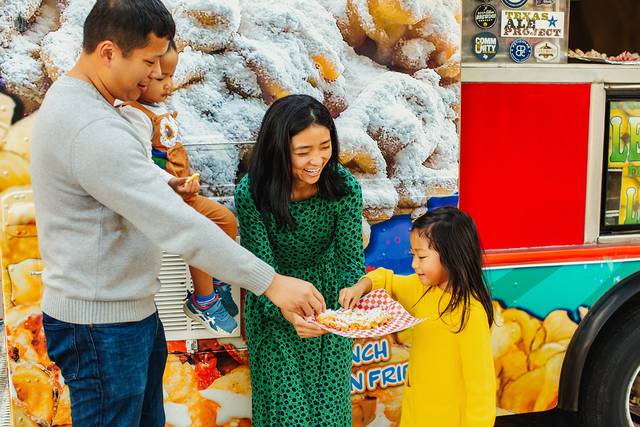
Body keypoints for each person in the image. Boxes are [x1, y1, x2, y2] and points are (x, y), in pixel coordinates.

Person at [30, 1, 324, 425]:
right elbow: (178, 225)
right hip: (101, 329)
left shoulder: (93, 104)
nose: (155, 74)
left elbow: (110, 191)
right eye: (148, 61)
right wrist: (272, 283)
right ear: (108, 52)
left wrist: (162, 183)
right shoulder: (90, 126)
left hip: (125, 313)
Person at [234, 94, 366, 426]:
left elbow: (351, 262)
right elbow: (258, 270)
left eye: (325, 147)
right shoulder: (252, 194)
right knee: (286, 415)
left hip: (327, 308)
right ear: (278, 150)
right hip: (273, 304)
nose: (317, 160)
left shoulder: (345, 188)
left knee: (328, 415)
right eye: (303, 152)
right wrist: (286, 311)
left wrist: (350, 296)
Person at [118, 40, 239, 334]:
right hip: (165, 198)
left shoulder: (158, 107)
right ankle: (204, 300)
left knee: (227, 221)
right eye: (160, 79)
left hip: (184, 193)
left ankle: (217, 280)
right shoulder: (135, 114)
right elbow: (141, 163)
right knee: (203, 236)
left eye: (170, 77)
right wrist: (172, 181)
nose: (168, 85)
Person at [340, 207, 496, 427]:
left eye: (422, 256)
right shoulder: (422, 289)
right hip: (416, 414)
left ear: (452, 256)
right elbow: (386, 279)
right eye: (413, 255)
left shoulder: (471, 314)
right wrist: (360, 287)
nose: (414, 265)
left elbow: (481, 388)